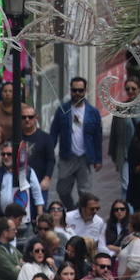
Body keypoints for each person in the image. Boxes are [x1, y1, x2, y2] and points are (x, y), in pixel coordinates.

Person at [52, 77, 104, 208]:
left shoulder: (93, 112)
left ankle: (82, 215)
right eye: (74, 90)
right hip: (67, 156)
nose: (77, 93)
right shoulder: (62, 110)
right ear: (70, 90)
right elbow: (54, 132)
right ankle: (71, 209)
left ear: (85, 91)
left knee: (85, 193)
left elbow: (98, 136)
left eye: (80, 90)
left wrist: (98, 159)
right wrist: (49, 153)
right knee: (62, 190)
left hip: (85, 158)